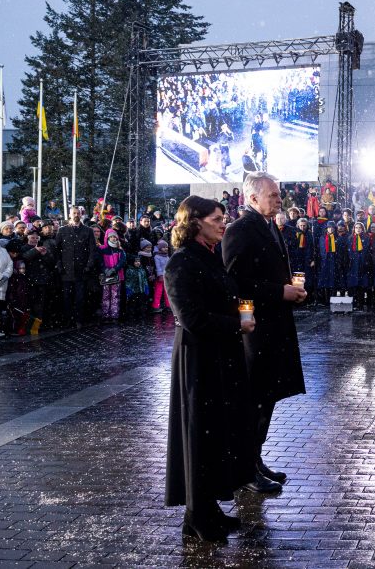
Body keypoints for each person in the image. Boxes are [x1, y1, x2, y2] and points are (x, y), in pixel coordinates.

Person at [164, 196, 257, 545]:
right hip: (199, 359)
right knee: (199, 432)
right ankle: (197, 514)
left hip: (221, 355)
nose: (223, 223)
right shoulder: (181, 263)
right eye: (217, 218)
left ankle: (208, 508)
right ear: (195, 222)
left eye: (224, 217)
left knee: (216, 432)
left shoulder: (210, 256)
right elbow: (192, 318)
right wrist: (236, 323)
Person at [222, 173, 307, 493]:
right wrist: (278, 292)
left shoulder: (271, 225)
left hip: (275, 326)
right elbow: (235, 283)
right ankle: (243, 470)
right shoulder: (239, 230)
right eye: (272, 195)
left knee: (266, 398)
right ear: (253, 198)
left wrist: (291, 292)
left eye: (279, 194)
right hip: (254, 330)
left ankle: (254, 459)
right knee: (252, 401)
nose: (279, 199)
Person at [55, 206, 94, 327]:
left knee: (80, 297)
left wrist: (88, 266)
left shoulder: (88, 230)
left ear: (81, 214)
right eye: (74, 213)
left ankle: (79, 319)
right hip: (66, 271)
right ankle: (68, 320)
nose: (76, 215)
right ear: (70, 215)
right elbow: (57, 250)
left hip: (81, 270)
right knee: (66, 298)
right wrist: (60, 266)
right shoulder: (62, 230)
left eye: (78, 213)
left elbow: (92, 250)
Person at [98, 229, 126, 322]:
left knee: (115, 295)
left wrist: (114, 269)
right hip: (106, 276)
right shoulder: (102, 249)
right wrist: (105, 269)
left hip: (116, 276)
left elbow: (122, 261)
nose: (113, 238)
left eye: (115, 237)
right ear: (107, 238)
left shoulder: (119, 250)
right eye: (111, 237)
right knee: (105, 295)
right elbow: (100, 261)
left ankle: (114, 314)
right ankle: (105, 315)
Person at [152, 240, 171, 313]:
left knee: (167, 292)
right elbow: (158, 267)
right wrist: (160, 275)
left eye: (166, 247)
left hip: (166, 276)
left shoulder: (167, 256)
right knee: (158, 292)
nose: (166, 248)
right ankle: (156, 306)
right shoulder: (157, 256)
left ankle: (168, 305)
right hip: (160, 277)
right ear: (160, 248)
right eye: (164, 247)